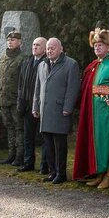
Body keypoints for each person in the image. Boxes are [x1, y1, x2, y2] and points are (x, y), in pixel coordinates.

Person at [73, 27, 109, 189]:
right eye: (95, 45)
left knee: (108, 141)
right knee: (97, 142)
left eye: (101, 45)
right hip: (93, 110)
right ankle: (99, 173)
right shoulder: (93, 65)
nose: (97, 47)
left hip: (108, 109)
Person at [32, 38, 80, 184]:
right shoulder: (42, 65)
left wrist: (68, 107)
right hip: (45, 110)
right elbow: (38, 88)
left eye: (53, 48)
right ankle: (52, 172)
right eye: (48, 48)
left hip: (60, 110)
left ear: (61, 49)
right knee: (48, 144)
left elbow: (73, 88)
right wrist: (35, 106)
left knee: (59, 144)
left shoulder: (71, 64)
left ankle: (61, 173)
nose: (49, 50)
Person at [17, 37, 48, 173]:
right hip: (27, 105)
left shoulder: (48, 63)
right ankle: (28, 162)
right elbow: (20, 83)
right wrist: (20, 102)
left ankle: (45, 165)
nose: (34, 47)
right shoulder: (26, 61)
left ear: (45, 48)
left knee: (44, 139)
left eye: (38, 45)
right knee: (28, 137)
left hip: (42, 106)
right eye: (33, 44)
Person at [0, 30, 27, 166]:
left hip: (16, 100)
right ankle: (11, 154)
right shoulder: (2, 58)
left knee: (19, 128)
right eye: (9, 40)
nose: (10, 42)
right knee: (9, 127)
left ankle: (20, 156)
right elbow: (0, 79)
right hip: (4, 98)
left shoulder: (23, 58)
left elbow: (24, 82)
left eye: (13, 40)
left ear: (19, 42)